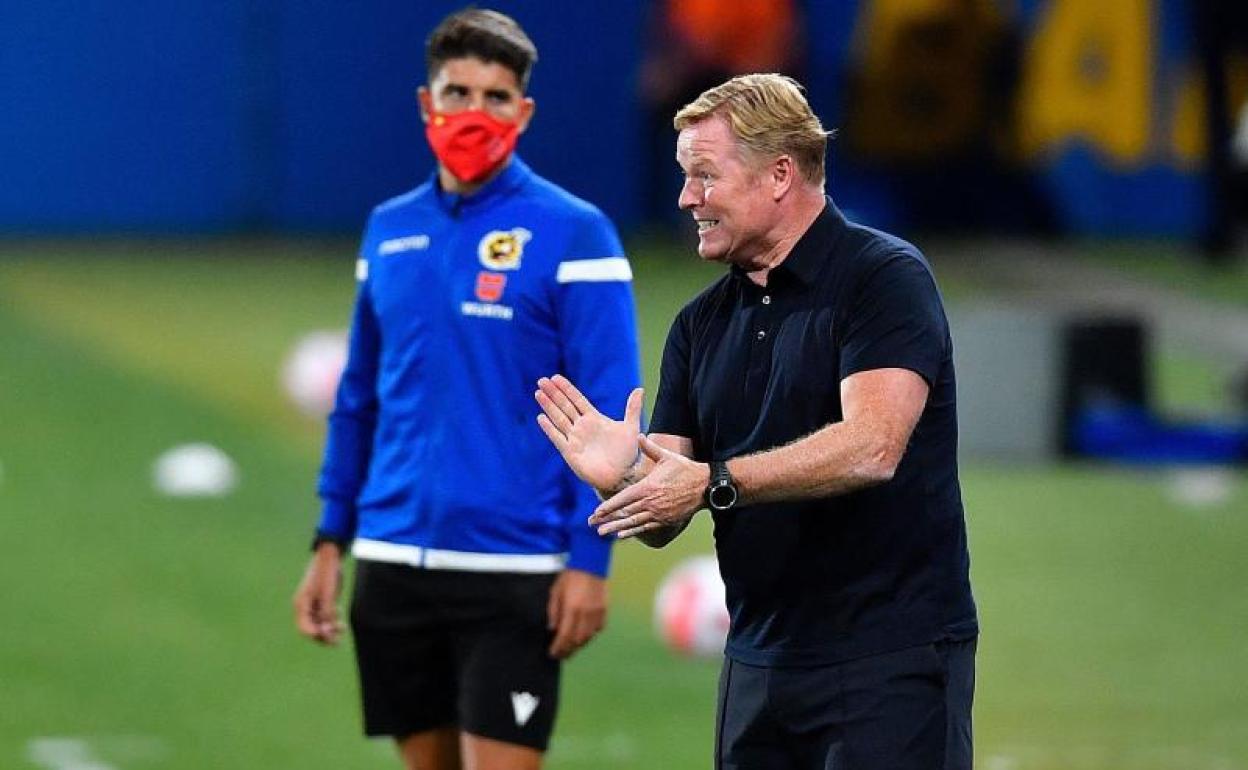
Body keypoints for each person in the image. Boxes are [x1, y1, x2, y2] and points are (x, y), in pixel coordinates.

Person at [535, 73, 978, 769]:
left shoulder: (882, 277)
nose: (686, 198)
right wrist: (621, 479)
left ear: (778, 175)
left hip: (890, 660)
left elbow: (873, 446)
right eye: (685, 177)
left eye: (705, 176)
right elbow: (664, 513)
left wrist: (714, 482)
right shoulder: (699, 325)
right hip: (758, 665)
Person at [293, 9, 641, 770]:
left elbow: (615, 416)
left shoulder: (576, 233)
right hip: (390, 559)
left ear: (525, 112)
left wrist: (592, 558)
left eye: (495, 97)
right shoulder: (389, 229)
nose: (474, 112)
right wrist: (329, 539)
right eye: (458, 93)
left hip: (515, 569)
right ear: (428, 103)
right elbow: (358, 399)